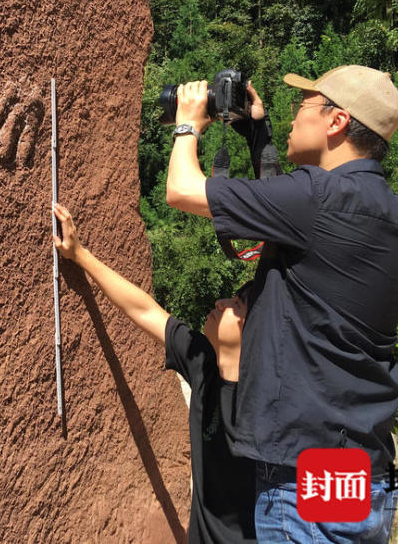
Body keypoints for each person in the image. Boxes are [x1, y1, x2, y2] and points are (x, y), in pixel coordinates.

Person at [165, 65, 398, 543]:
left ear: (337, 122)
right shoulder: (386, 207)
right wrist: (257, 132)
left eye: (304, 107)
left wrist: (188, 121)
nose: (294, 117)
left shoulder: (318, 199)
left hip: (305, 481)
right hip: (359, 469)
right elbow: (285, 221)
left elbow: (181, 190)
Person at [52, 202, 255, 543]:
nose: (221, 303)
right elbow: (144, 310)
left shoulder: (266, 404)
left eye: (237, 305)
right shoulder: (202, 362)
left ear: (256, 331)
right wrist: (80, 255)